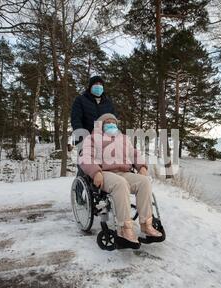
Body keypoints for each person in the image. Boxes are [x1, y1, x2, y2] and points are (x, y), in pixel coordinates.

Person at [78, 113, 163, 249]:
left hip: (124, 172)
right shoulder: (92, 139)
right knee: (120, 183)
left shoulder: (123, 138)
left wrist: (141, 166)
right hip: (104, 173)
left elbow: (134, 154)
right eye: (108, 122)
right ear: (101, 125)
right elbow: (85, 157)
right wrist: (95, 172)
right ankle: (124, 229)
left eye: (114, 122)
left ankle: (146, 224)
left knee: (144, 182)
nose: (112, 124)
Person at [70, 75, 116, 146]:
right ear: (90, 86)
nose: (98, 86)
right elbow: (76, 120)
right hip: (86, 140)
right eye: (96, 84)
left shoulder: (108, 103)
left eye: (100, 84)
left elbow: (113, 120)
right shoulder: (80, 100)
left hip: (105, 141)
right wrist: (81, 138)